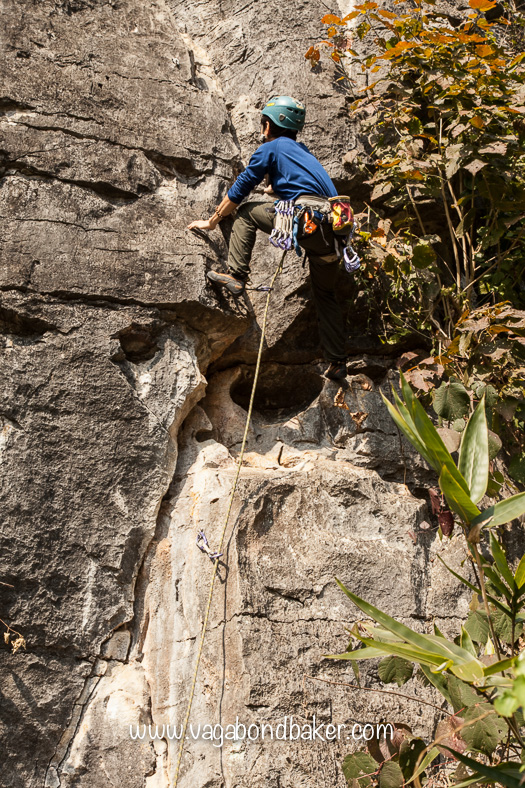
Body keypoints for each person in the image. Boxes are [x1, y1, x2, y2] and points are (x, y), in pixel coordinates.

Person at [187, 95, 347, 381]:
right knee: (326, 295)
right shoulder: (303, 153)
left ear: (268, 124)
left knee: (247, 212)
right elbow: (297, 185)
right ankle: (337, 362)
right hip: (333, 231)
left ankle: (236, 275)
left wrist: (213, 222)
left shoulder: (270, 148)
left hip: (307, 219)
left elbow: (242, 187)